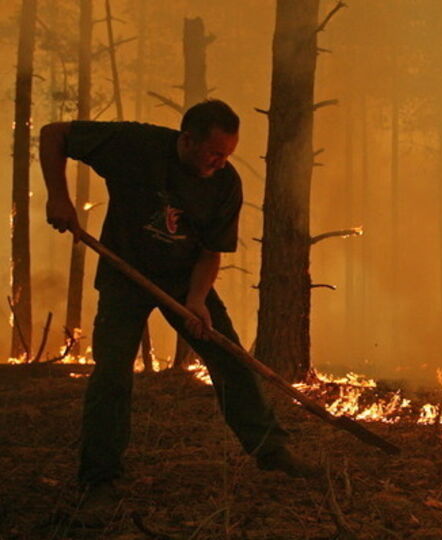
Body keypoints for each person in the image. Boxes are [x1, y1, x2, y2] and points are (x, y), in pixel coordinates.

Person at [40, 100, 318, 524]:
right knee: (112, 374)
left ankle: (272, 452)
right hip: (124, 272)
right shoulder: (134, 144)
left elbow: (210, 252)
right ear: (187, 140)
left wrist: (196, 300)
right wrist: (58, 197)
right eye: (213, 153)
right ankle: (98, 479)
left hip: (184, 279)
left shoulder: (226, 184)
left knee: (230, 359)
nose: (220, 162)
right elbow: (54, 133)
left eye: (227, 154)